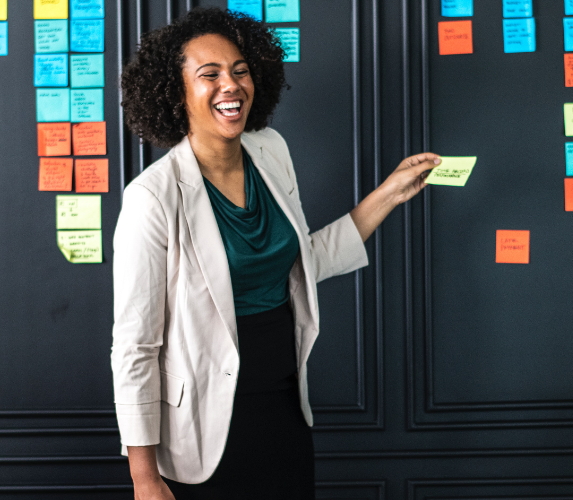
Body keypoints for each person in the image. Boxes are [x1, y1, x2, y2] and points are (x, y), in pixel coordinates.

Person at [111, 7, 440, 499]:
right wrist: (143, 476)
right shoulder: (152, 197)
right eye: (210, 74)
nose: (231, 85)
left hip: (283, 406)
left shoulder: (271, 150)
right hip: (201, 427)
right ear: (175, 92)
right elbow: (135, 347)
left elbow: (302, 262)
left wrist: (390, 193)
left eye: (240, 70)